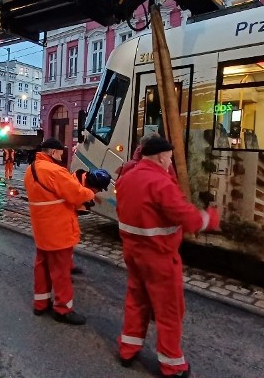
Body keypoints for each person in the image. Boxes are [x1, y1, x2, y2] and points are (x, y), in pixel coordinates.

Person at [115, 136, 220, 378]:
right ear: (162, 156)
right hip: (159, 256)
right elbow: (188, 218)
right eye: (170, 158)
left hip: (133, 252)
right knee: (169, 311)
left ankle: (128, 349)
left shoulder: (128, 177)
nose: (170, 162)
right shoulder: (161, 183)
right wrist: (210, 218)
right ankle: (172, 365)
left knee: (136, 301)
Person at [25, 138, 97, 325]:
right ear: (53, 152)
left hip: (42, 228)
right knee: (61, 271)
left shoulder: (31, 169)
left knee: (42, 266)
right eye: (60, 152)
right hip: (58, 228)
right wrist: (91, 194)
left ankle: (41, 303)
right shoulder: (55, 171)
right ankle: (63, 310)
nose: (62, 155)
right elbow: (77, 193)